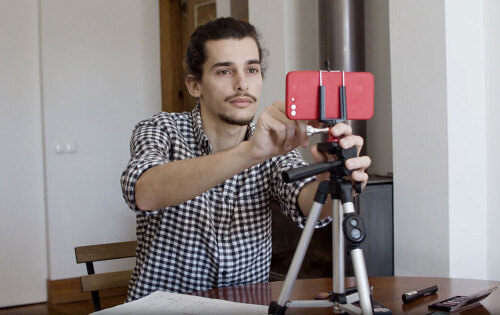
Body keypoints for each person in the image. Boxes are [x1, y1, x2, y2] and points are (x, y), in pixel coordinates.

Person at [121, 17, 371, 302]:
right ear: (194, 85)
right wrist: (249, 152)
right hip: (163, 309)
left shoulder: (274, 145)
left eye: (252, 69)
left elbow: (304, 202)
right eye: (224, 71)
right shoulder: (160, 129)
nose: (242, 84)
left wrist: (334, 181)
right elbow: (145, 192)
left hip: (243, 308)